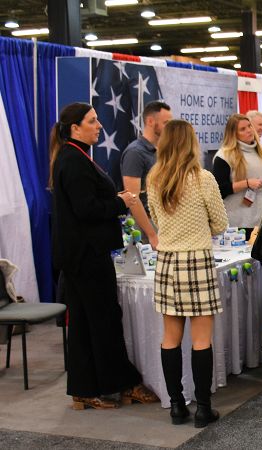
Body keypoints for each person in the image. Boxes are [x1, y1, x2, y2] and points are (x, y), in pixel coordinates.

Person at [49, 102, 157, 410]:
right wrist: (120, 202)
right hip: (86, 256)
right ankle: (124, 384)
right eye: (93, 121)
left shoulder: (75, 157)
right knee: (105, 321)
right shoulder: (73, 160)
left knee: (84, 325)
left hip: (82, 254)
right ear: (75, 128)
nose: (99, 126)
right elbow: (87, 209)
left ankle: (84, 389)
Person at [147, 120, 228, 428]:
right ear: (191, 143)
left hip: (167, 262)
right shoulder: (203, 178)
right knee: (201, 340)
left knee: (170, 338)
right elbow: (220, 223)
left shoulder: (154, 179)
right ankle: (204, 409)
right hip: (196, 261)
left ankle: (177, 406)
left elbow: (156, 220)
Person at [120, 101, 173, 248]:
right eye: (166, 123)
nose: (169, 128)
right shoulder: (135, 153)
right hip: (145, 226)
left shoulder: (162, 151)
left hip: (162, 221)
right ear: (150, 121)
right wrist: (151, 234)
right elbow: (133, 198)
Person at [212, 113, 262, 240]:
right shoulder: (224, 156)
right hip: (235, 224)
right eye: (243, 129)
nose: (249, 130)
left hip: (260, 221)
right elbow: (219, 190)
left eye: (249, 126)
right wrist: (247, 183)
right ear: (234, 133)